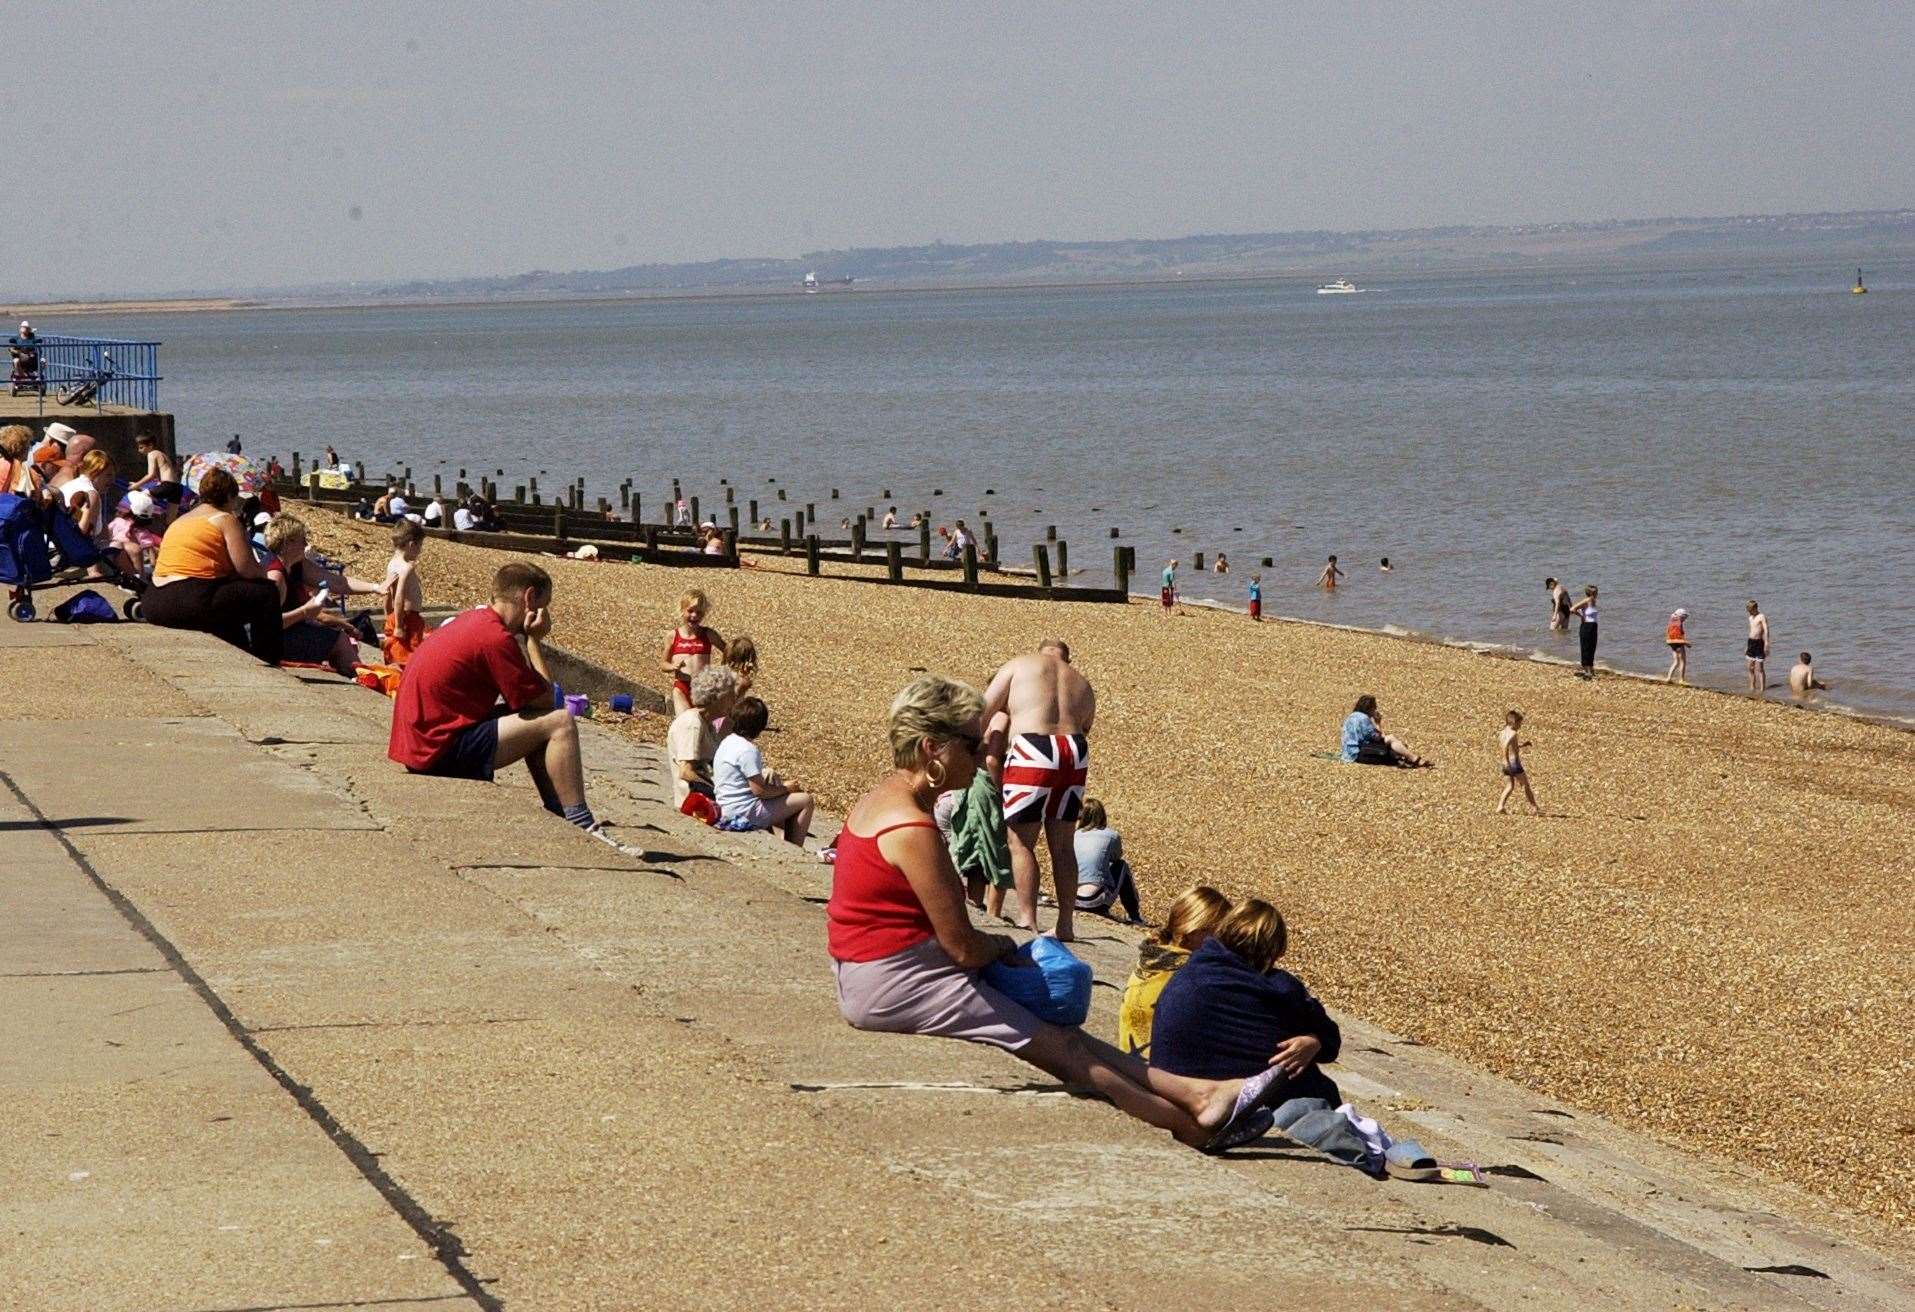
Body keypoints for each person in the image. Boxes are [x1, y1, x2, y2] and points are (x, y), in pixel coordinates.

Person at [827, 675, 1273, 1152]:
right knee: (1061, 1049)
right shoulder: (912, 828)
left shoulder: (884, 798)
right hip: (894, 982)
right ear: (933, 749)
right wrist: (1003, 946)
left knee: (1065, 1031)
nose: (983, 758)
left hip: (877, 970)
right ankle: (1192, 1126)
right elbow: (961, 947)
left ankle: (1197, 1092)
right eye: (974, 746)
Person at [388, 561, 624, 847]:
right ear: (529, 598)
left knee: (536, 722)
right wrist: (534, 642)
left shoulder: (474, 621)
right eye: (544, 605)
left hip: (420, 742)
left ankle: (561, 812)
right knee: (559, 722)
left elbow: (527, 703)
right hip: (437, 751)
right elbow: (549, 700)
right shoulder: (495, 638)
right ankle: (582, 823)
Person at [1151, 899, 1343, 1110]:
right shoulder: (1280, 989)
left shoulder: (1188, 972)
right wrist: (1316, 1040)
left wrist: (1313, 1041)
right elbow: (1331, 1042)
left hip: (1172, 1091)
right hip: (1240, 1107)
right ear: (1275, 951)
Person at [981, 638, 1095, 940]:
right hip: (1073, 750)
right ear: (1066, 658)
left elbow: (983, 708)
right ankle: (1066, 924)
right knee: (1063, 844)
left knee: (1021, 842)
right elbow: (1086, 726)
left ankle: (1027, 918)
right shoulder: (1081, 682)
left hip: (1033, 746)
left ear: (1039, 652)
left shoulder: (1020, 664)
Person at [142, 467, 282, 665]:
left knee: (227, 599)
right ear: (229, 497)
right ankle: (269, 660)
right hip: (187, 599)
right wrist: (267, 574)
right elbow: (247, 570)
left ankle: (240, 653)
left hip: (155, 599)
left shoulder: (181, 520)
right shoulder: (225, 519)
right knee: (266, 593)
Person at [1117, 887, 1232, 1058]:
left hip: (1128, 1058)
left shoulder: (1152, 958)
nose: (1225, 942)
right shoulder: (1192, 973)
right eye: (1220, 934)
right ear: (1194, 931)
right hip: (1160, 1070)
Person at [933, 710, 1014, 917]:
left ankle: (975, 904)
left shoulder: (982, 717)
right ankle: (994, 913)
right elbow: (992, 760)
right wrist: (1000, 791)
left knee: (976, 853)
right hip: (985, 786)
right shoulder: (1002, 718)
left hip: (970, 785)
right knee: (996, 849)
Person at [262, 515, 365, 675]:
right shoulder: (276, 577)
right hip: (272, 643)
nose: (306, 544)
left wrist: (376, 587)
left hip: (286, 634)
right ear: (287, 542)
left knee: (336, 637)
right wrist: (304, 611)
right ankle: (362, 678)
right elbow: (268, 624)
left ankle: (359, 676)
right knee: (338, 640)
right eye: (301, 539)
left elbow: (337, 582)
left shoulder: (294, 566)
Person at [711, 695, 815, 844]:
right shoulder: (748, 750)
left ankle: (780, 838)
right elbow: (760, 791)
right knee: (806, 800)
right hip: (743, 813)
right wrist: (787, 788)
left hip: (725, 806)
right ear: (760, 726)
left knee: (771, 777)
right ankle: (795, 847)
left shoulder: (727, 741)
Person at [668, 666, 737, 815]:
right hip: (697, 803)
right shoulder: (692, 724)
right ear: (717, 698)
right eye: (730, 695)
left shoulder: (707, 724)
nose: (733, 700)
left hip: (707, 798)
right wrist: (718, 791)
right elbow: (686, 772)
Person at [1072, 798, 1140, 923]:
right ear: (1102, 815)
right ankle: (1134, 915)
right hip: (1094, 900)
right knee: (1121, 865)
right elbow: (1116, 857)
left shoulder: (1073, 835)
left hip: (1071, 898)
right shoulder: (1111, 835)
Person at [660, 587, 726, 715]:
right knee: (684, 720)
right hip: (682, 687)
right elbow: (663, 664)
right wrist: (672, 666)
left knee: (703, 726)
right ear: (682, 610)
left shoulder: (708, 634)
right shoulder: (673, 636)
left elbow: (729, 651)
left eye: (699, 613)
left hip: (704, 687)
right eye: (690, 611)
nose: (694, 615)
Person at [1340, 694, 1432, 768]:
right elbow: (1377, 737)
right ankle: (1414, 759)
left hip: (1348, 753)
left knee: (1395, 745)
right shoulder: (1364, 718)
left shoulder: (1351, 717)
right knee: (1391, 739)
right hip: (1357, 754)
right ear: (1370, 708)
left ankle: (1405, 758)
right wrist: (1378, 722)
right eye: (1374, 708)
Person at [382, 520, 427, 667]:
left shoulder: (392, 563)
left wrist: (388, 615)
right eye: (420, 546)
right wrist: (399, 626)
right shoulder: (405, 567)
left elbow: (387, 592)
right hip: (407, 618)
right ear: (412, 545)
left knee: (397, 651)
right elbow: (399, 595)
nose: (420, 550)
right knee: (409, 655)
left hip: (398, 615)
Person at [107, 490, 165, 578]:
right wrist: (153, 564)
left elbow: (107, 535)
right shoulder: (142, 531)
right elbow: (150, 549)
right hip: (135, 564)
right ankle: (139, 578)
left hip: (115, 559)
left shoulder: (116, 522)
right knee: (135, 551)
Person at [1496, 709, 1541, 816]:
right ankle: (1534, 807)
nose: (1520, 726)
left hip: (1504, 762)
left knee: (1510, 786)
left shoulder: (1502, 732)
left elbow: (1509, 746)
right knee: (1526, 785)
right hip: (1513, 763)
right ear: (1514, 722)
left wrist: (1521, 745)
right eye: (1519, 723)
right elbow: (1505, 746)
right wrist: (1507, 760)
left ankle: (1500, 806)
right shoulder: (1513, 733)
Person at [0, 424, 41, 496]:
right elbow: (36, 498)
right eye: (28, 445)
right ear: (22, 447)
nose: (30, 448)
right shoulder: (25, 471)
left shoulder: (1, 463)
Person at [1568, 585, 1599, 677]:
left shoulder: (1593, 601)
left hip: (1593, 626)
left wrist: (1583, 615)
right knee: (1586, 647)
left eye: (1596, 592)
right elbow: (1572, 609)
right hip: (1586, 626)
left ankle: (1591, 668)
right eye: (1594, 592)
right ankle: (1586, 670)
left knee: (1592, 646)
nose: (1596, 594)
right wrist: (1581, 616)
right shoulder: (1588, 600)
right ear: (1590, 593)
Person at [1746, 600, 1770, 694]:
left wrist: (1767, 642)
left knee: (1759, 668)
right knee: (1750, 667)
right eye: (1748, 610)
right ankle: (1752, 686)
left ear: (1755, 608)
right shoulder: (1750, 617)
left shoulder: (1761, 616)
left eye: (1750, 610)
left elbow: (1766, 630)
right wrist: (1747, 646)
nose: (1749, 612)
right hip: (1751, 642)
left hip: (1759, 643)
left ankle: (1762, 689)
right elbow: (1751, 631)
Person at [1662, 608, 1692, 683]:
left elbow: (1669, 633)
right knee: (1683, 661)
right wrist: (1686, 643)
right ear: (1680, 616)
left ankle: (1669, 678)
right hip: (1678, 643)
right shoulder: (1678, 623)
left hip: (1671, 642)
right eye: (1684, 617)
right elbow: (1677, 636)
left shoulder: (1672, 621)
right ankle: (1681, 680)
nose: (1685, 619)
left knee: (1676, 661)